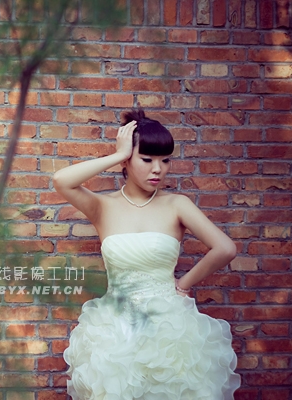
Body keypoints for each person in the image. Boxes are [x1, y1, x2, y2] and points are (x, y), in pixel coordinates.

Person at [53, 109, 241, 399]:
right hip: (115, 330)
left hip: (169, 328)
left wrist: (184, 284)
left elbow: (225, 248)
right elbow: (62, 180)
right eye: (147, 159)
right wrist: (119, 154)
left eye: (165, 160)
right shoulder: (103, 207)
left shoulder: (177, 204)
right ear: (128, 160)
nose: (158, 169)